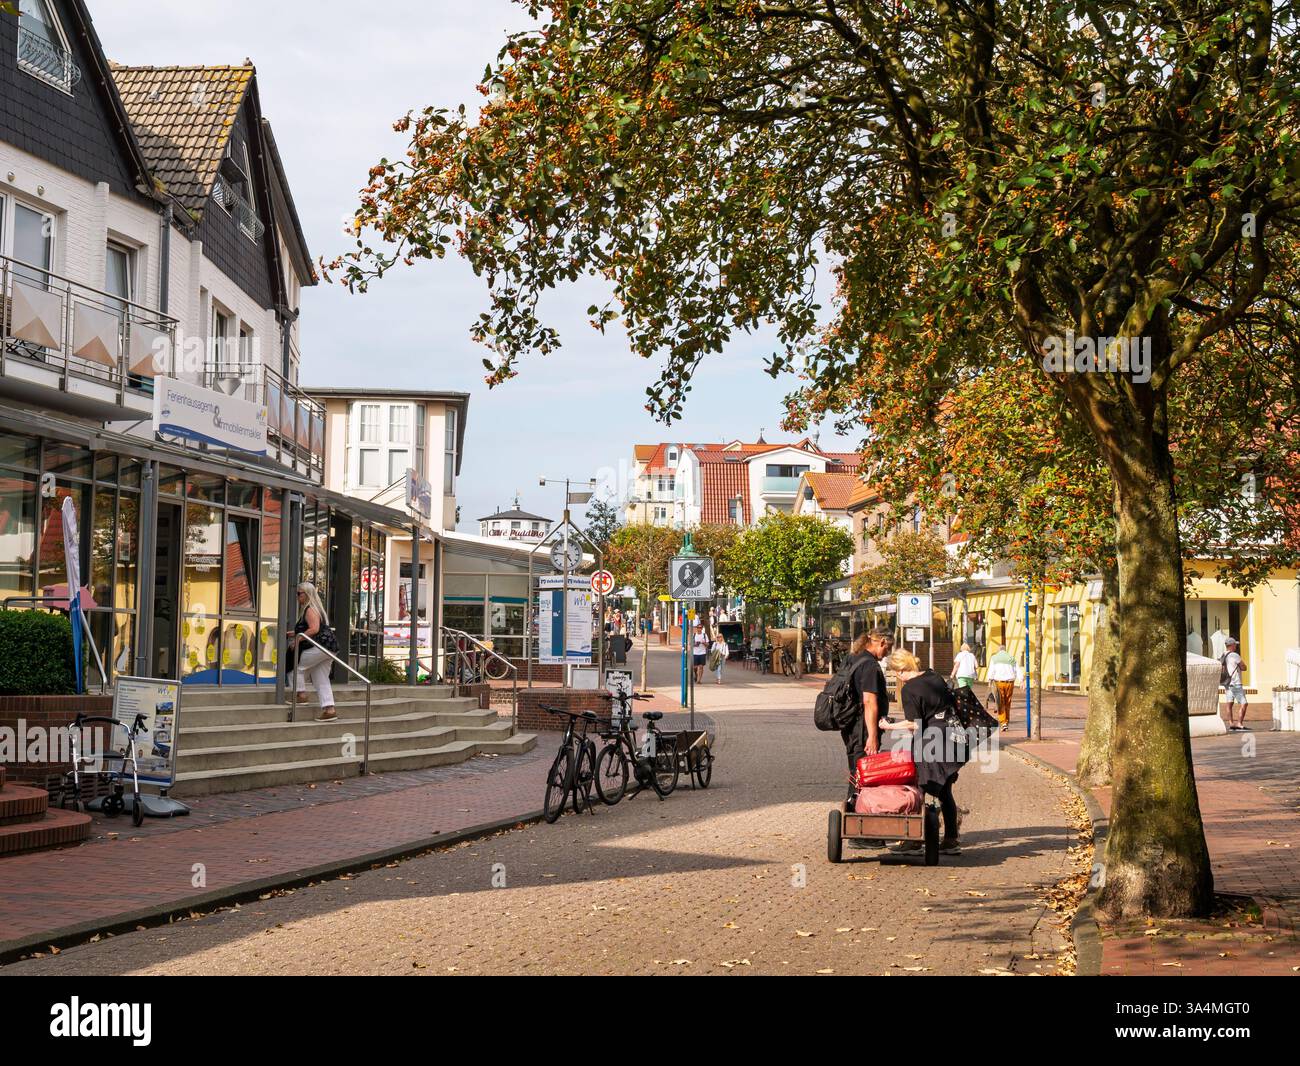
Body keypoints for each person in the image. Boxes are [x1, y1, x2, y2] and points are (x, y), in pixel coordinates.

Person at [885, 649, 964, 853]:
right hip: (954, 737)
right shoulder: (934, 676)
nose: (896, 677)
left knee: (918, 786)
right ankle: (951, 840)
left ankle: (915, 838)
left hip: (932, 742)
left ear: (901, 670)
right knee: (945, 790)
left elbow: (915, 724)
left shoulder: (909, 689)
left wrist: (888, 727)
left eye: (895, 673)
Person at [840, 626, 894, 814]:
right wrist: (872, 736)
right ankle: (858, 827)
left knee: (856, 773)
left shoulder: (853, 658)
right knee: (863, 774)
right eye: (888, 647)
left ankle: (854, 821)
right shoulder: (870, 666)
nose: (888, 652)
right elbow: (869, 701)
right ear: (882, 642)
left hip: (850, 726)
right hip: (862, 729)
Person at [287, 582, 338, 722]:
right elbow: (314, 628)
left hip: (321, 646)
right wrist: (294, 633)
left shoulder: (309, 609)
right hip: (330, 647)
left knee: (294, 666)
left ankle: (300, 695)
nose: (297, 597)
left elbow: (314, 628)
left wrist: (297, 639)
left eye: (299, 594)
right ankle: (329, 709)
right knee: (320, 677)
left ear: (307, 594)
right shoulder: (316, 608)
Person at [1222, 636, 1249, 731]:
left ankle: (1231, 724)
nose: (1236, 646)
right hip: (1236, 683)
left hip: (1227, 683)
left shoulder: (1223, 655)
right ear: (1232, 645)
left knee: (1229, 704)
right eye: (1235, 645)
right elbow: (1244, 667)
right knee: (1244, 703)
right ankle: (1239, 723)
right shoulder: (1234, 655)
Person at [987, 644, 1017, 728]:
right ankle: (1006, 720)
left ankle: (1003, 722)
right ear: (1005, 650)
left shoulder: (994, 658)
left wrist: (989, 680)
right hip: (1010, 683)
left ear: (999, 650)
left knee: (1000, 702)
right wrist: (1021, 680)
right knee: (1008, 702)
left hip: (999, 683)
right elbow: (1016, 669)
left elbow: (991, 670)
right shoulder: (1011, 657)